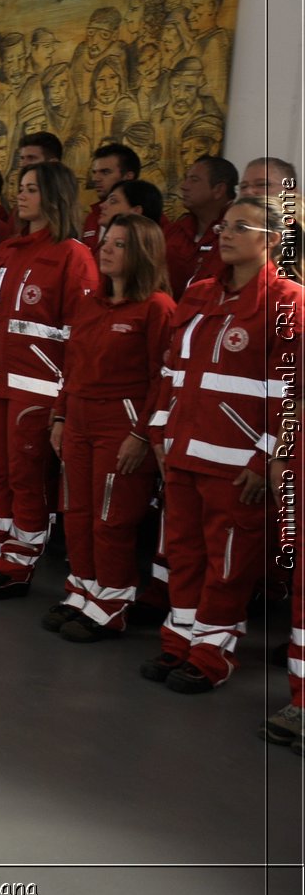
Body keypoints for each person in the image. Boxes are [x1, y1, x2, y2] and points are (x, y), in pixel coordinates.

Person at [144, 196, 301, 691]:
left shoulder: (287, 301)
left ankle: (213, 655)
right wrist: (160, 432)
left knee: (228, 565)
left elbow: (292, 390)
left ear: (271, 240)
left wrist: (266, 457)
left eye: (241, 227)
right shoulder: (200, 293)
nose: (225, 234)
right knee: (184, 554)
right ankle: (180, 642)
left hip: (237, 464)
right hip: (185, 450)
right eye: (224, 226)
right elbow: (173, 371)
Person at [0, 161, 99, 600]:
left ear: (54, 196)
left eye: (32, 189)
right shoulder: (8, 251)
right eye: (20, 188)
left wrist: (64, 399)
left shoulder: (73, 255)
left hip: (36, 387)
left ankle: (18, 565)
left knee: (27, 479)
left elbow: (81, 334)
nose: (21, 195)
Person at [45, 213, 174, 641]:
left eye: (118, 244)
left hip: (120, 425)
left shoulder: (156, 307)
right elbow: (72, 366)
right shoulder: (90, 303)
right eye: (106, 241)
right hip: (79, 418)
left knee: (110, 519)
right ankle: (83, 589)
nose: (105, 249)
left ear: (141, 253)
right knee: (75, 514)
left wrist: (142, 434)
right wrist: (61, 416)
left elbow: (163, 379)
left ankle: (112, 603)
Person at [166, 155, 236, 297]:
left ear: (218, 190)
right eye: (186, 178)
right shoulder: (175, 230)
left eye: (194, 180)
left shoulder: (237, 235)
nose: (184, 186)